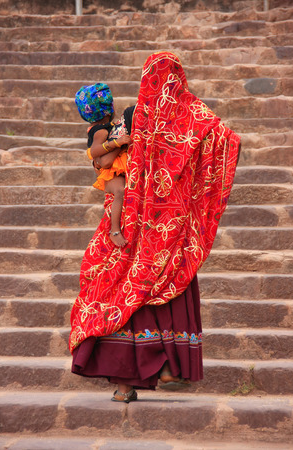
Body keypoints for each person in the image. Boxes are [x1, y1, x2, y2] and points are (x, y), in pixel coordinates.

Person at [70, 52, 241, 403]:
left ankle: (125, 383)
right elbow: (225, 139)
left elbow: (101, 158)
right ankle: (166, 365)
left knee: (116, 281)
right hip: (170, 222)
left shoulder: (137, 113)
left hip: (136, 216)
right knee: (166, 284)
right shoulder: (190, 114)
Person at [75, 83, 132, 247]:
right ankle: (114, 230)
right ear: (109, 110)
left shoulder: (105, 128)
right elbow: (95, 152)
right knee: (120, 191)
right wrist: (117, 143)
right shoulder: (100, 130)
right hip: (111, 174)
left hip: (114, 169)